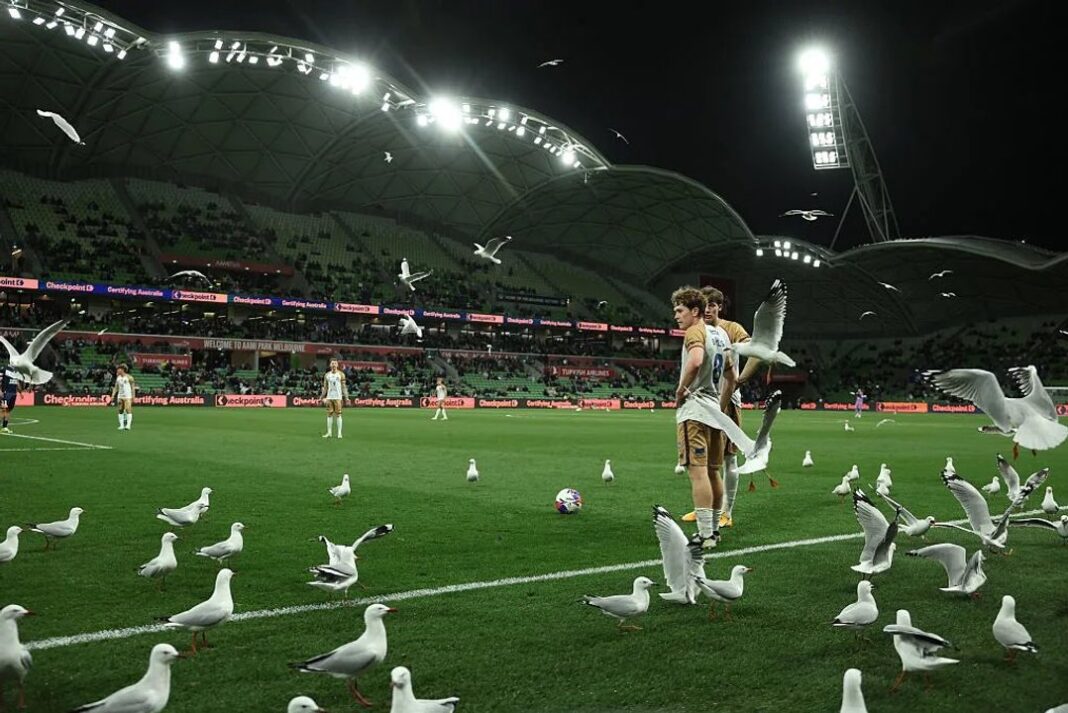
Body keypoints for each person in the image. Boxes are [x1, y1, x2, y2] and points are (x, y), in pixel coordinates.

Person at [682, 286, 763, 528]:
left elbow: (756, 352)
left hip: (726, 402)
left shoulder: (732, 329)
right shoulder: (698, 331)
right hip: (702, 405)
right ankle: (705, 509)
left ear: (719, 307)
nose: (707, 310)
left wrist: (740, 380)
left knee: (727, 459)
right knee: (702, 460)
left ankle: (726, 511)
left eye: (712, 305)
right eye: (703, 305)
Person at [672, 287, 733, 550]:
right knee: (713, 472)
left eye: (680, 310)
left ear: (694, 310)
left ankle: (705, 534)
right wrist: (719, 405)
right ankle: (715, 530)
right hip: (713, 412)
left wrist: (680, 390)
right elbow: (731, 376)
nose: (676, 316)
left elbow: (695, 361)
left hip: (695, 411)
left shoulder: (695, 331)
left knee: (698, 474)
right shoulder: (720, 334)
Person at [320, 359, 350, 439]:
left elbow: (344, 387)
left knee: (338, 414)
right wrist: (322, 397)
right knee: (329, 414)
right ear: (330, 365)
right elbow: (325, 387)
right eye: (332, 363)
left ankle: (339, 433)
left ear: (337, 365)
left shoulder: (341, 374)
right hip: (329, 397)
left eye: (335, 363)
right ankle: (329, 433)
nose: (333, 365)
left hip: (338, 397)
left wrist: (346, 397)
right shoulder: (327, 375)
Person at [111, 363, 136, 430]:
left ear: (122, 370)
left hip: (128, 396)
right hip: (120, 396)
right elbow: (116, 387)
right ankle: (121, 425)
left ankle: (128, 425)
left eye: (119, 369)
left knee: (128, 409)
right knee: (120, 410)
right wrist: (113, 395)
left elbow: (133, 388)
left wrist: (133, 396)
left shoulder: (129, 377)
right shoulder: (118, 378)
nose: (117, 370)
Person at [1, 367, 21, 434]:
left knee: (8, 410)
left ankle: (5, 427)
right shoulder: (5, 370)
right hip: (7, 393)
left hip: (13, 393)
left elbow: (17, 382)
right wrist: (0, 391)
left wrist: (20, 392)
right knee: (4, 409)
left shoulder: (16, 371)